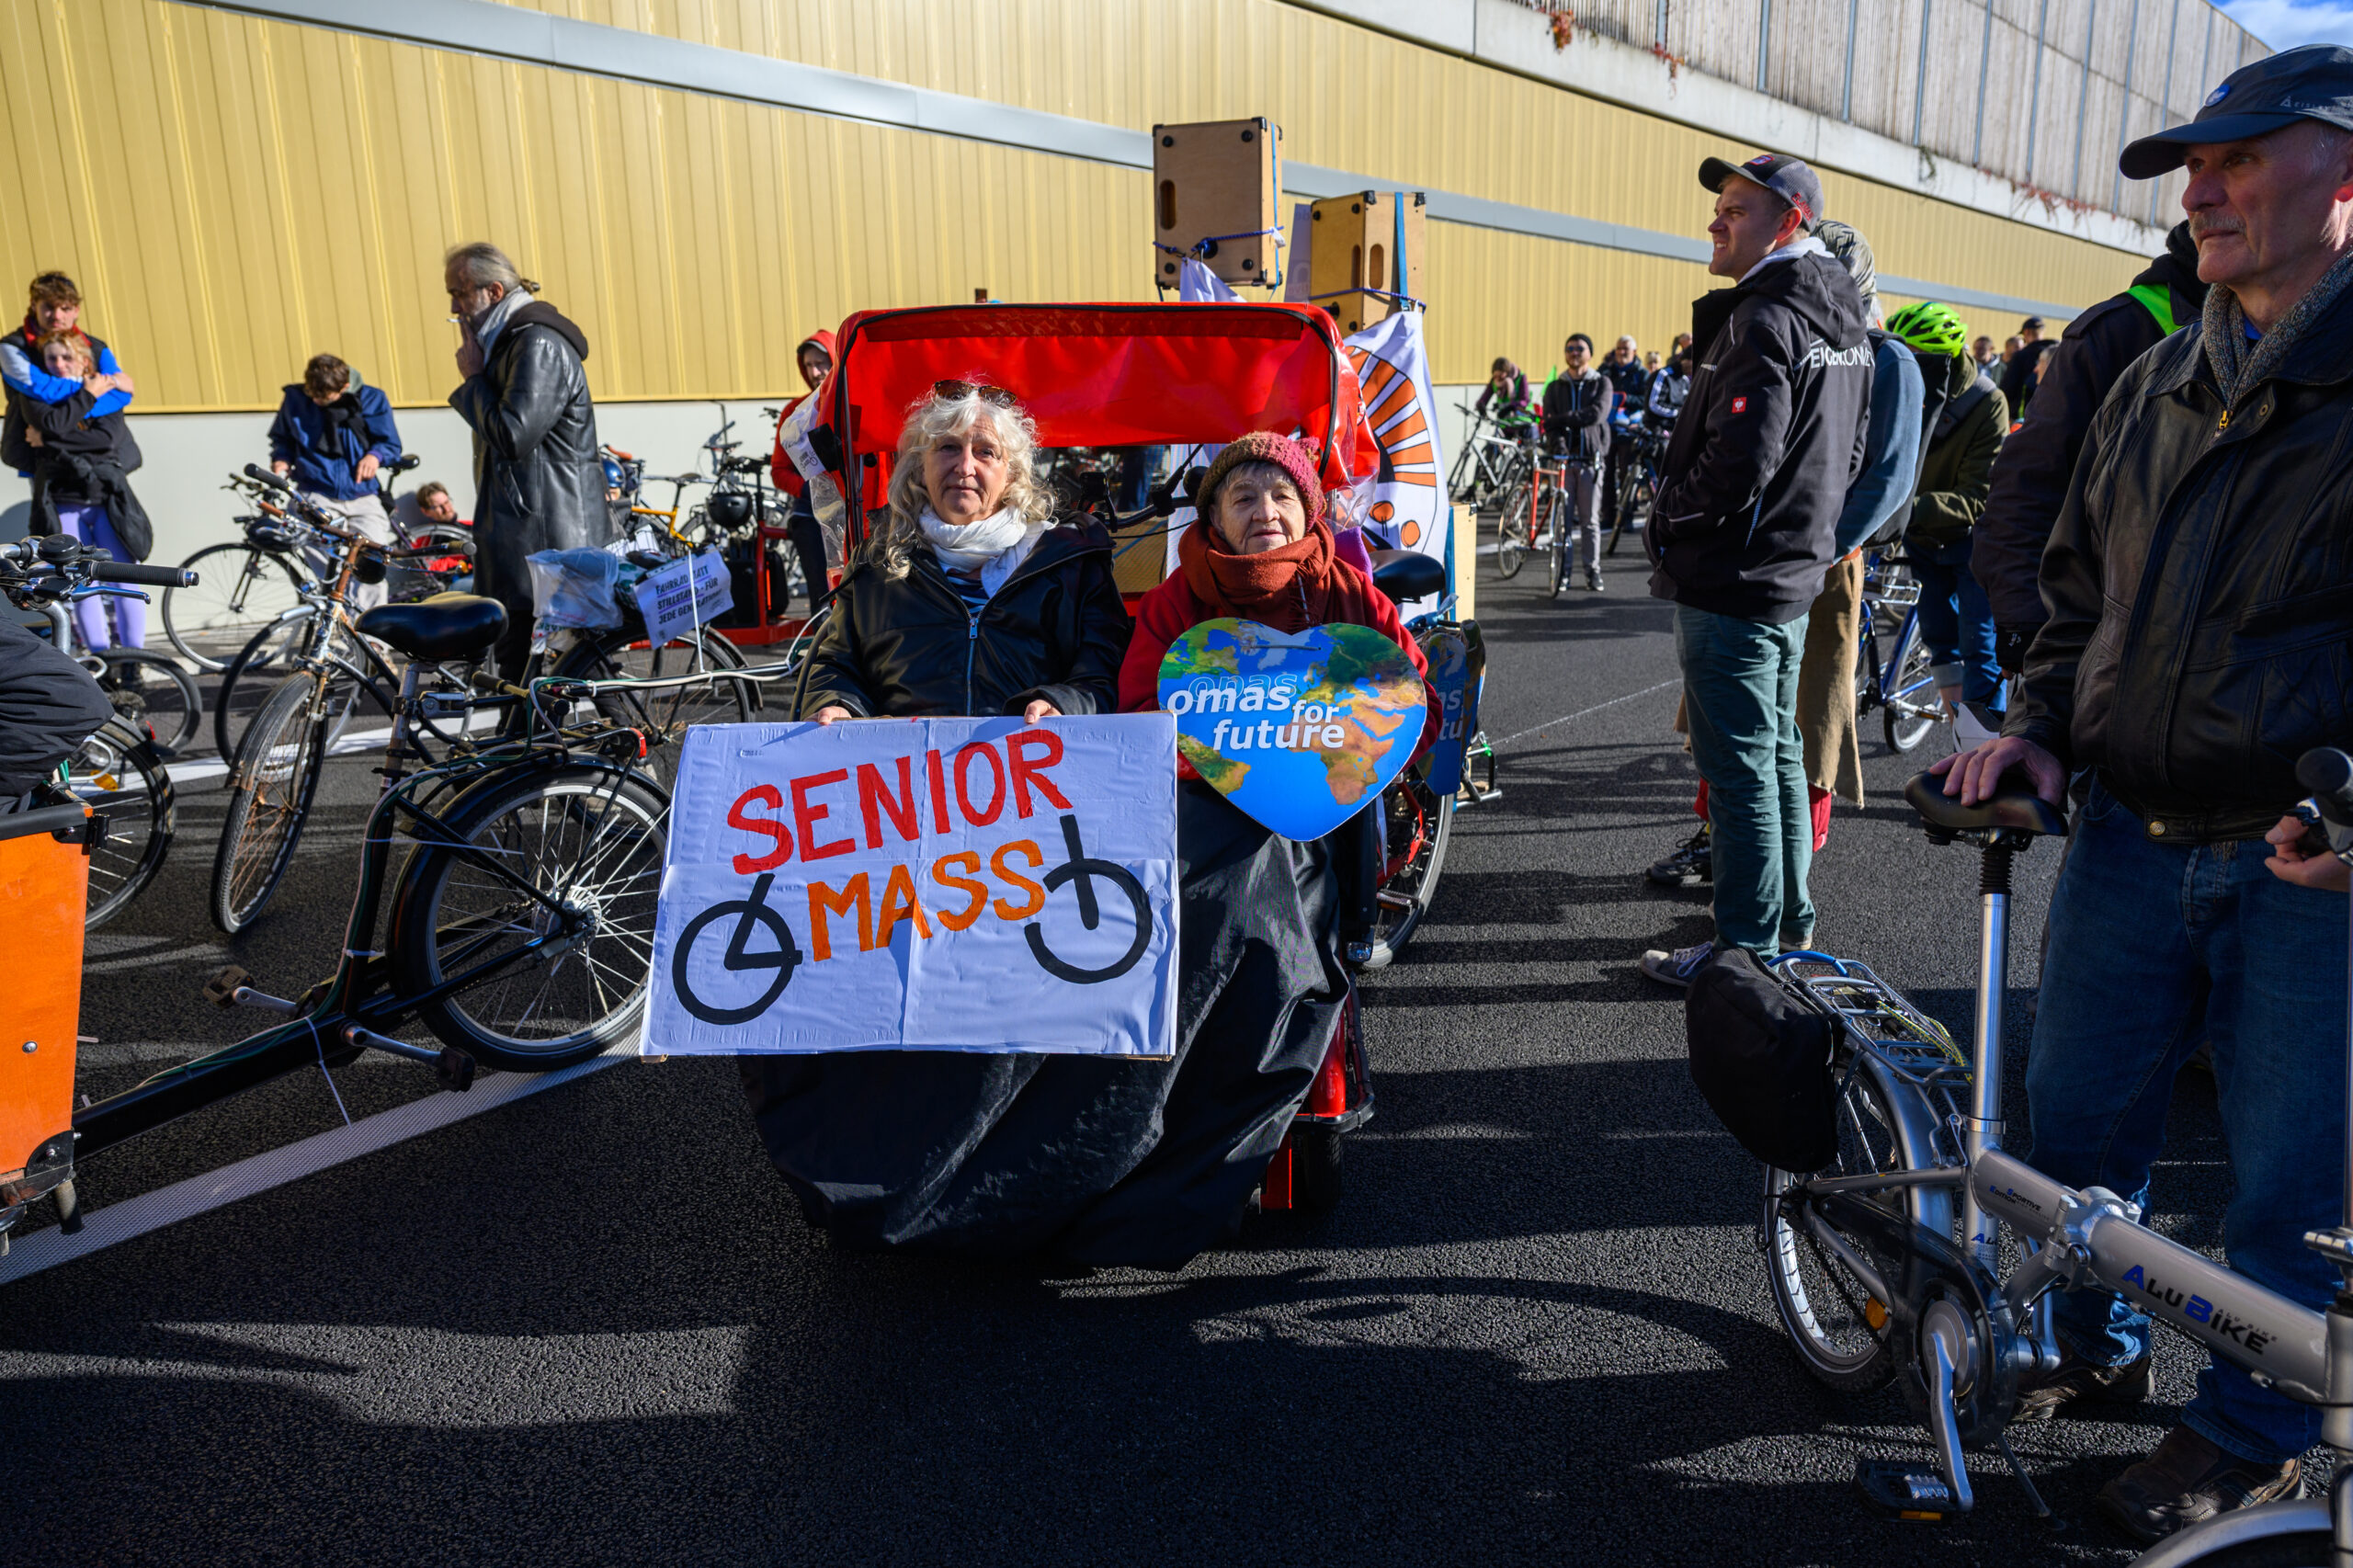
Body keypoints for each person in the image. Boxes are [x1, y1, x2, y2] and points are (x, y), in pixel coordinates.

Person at [1935, 44, 2353, 1543]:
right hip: (2126, 835)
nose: (2200, 191)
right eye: (2194, 166)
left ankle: (2252, 1430)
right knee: (2077, 1134)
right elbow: (2077, 591)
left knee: (2295, 1190)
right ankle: (2091, 1344)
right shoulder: (2156, 378)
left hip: (2309, 866)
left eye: (2239, 158)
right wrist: (2041, 729)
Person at [740, 382, 1190, 1261]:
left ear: (1016, 473)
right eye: (948, 449)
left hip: (1037, 816)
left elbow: (1106, 668)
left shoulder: (1068, 563)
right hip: (900, 824)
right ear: (920, 466)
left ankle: (1029, 1189)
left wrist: (1062, 704)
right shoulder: (879, 568)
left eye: (987, 452)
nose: (966, 466)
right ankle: (883, 1187)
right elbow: (835, 666)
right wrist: (835, 707)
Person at [1637, 151, 1871, 983]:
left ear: (1790, 221)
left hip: (1735, 582)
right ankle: (1784, 934)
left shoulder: (1767, 315)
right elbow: (1849, 456)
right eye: (1720, 207)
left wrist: (1666, 523)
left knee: (1742, 776)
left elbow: (1740, 461)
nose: (1715, 221)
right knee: (1775, 762)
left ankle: (1745, 954)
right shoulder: (1842, 320)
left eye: (1737, 209)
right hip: (1788, 576)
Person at [1647, 219, 1922, 890]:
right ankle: (1731, 854)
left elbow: (1887, 475)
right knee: (1737, 725)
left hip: (1823, 560)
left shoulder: (1886, 358)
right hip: (1764, 556)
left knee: (1807, 724)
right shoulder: (1797, 333)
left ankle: (1778, 883)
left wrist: (1824, 545)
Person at [1972, 222, 2208, 676]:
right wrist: (2026, 625)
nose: (2200, 197)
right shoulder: (2124, 329)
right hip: (2109, 649)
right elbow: (2028, 484)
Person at [444, 242, 609, 677]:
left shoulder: (538, 344)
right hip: (525, 535)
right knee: (519, 669)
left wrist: (473, 380)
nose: (455, 308)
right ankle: (525, 724)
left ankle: (622, 721)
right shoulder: (507, 344)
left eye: (460, 293)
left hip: (549, 537)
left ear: (494, 291)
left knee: (577, 669)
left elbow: (513, 435)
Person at [1884, 301, 2007, 740]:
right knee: (1941, 644)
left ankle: (1986, 753)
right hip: (1921, 538)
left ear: (1946, 360)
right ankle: (1963, 744)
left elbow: (1976, 498)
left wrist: (1903, 508)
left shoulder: (1988, 402)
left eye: (1916, 361)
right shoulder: (1903, 390)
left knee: (1980, 650)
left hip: (1970, 543)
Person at [18, 332, 153, 653]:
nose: (59, 364)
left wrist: (47, 438)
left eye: (67, 357)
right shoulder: (37, 395)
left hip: (107, 503)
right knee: (80, 582)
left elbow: (106, 440)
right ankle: (101, 658)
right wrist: (61, 426)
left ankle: (133, 661)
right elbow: (57, 426)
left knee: (124, 580)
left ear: (83, 361)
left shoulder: (108, 391)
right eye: (51, 358)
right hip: (64, 503)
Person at [268, 353, 403, 609]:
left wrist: (375, 456)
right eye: (312, 395)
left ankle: (370, 631)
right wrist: (281, 460)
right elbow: (282, 439)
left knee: (372, 566)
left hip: (362, 495)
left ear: (344, 387)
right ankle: (337, 619)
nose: (316, 401)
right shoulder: (296, 399)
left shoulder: (372, 399)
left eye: (324, 398)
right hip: (316, 493)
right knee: (330, 566)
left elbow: (390, 444)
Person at [0, 271, 131, 476]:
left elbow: (123, 393)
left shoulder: (97, 348)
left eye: (65, 308)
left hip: (99, 452)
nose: (57, 316)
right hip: (42, 455)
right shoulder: (13, 348)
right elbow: (42, 389)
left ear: (76, 310)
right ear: (34, 306)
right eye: (48, 307)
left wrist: (55, 427)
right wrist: (94, 388)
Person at [767, 328, 839, 614]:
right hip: (810, 516)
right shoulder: (795, 412)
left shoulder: (852, 402)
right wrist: (810, 489)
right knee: (823, 601)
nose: (815, 372)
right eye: (809, 365)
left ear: (836, 360)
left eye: (821, 363)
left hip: (856, 513)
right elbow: (779, 471)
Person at [1540, 333, 1610, 592]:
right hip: (1563, 463)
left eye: (1580, 348)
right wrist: (1559, 446)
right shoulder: (1554, 387)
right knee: (1563, 522)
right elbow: (1549, 423)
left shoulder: (1601, 383)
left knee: (1590, 522)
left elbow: (1596, 414)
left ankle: (1593, 572)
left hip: (1590, 461)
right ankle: (1563, 573)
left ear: (1590, 353)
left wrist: (1562, 418)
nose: (1574, 352)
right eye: (1569, 348)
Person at [1999, 316, 2052, 413]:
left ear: (2026, 332)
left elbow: (2007, 388)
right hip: (2049, 411)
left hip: (2023, 413)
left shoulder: (2021, 356)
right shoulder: (2056, 353)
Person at [1473, 356, 1536, 429]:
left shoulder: (1520, 378)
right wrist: (1481, 405)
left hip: (1523, 423)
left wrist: (1511, 407)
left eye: (1500, 376)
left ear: (1507, 372)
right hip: (1505, 425)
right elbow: (1485, 397)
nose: (1498, 379)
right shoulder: (1494, 381)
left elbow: (1525, 401)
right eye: (1495, 376)